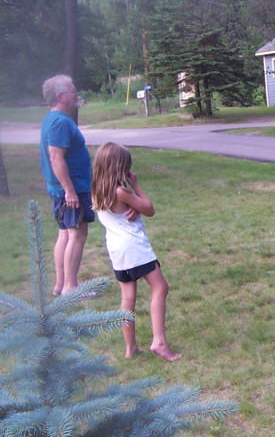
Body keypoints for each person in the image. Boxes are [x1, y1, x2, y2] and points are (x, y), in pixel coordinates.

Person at [91, 142, 181, 361]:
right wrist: (137, 187)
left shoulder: (97, 191)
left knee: (127, 296)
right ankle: (159, 341)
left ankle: (130, 347)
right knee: (160, 287)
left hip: (116, 251)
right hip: (135, 247)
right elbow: (149, 210)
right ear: (119, 167)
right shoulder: (121, 191)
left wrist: (132, 207)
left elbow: (121, 211)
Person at [39, 74, 95, 296]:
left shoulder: (52, 119)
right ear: (61, 97)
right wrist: (70, 191)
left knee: (64, 233)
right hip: (70, 190)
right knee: (77, 235)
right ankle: (71, 289)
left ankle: (60, 285)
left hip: (63, 189)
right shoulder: (59, 122)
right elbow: (55, 158)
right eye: (72, 91)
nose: (75, 95)